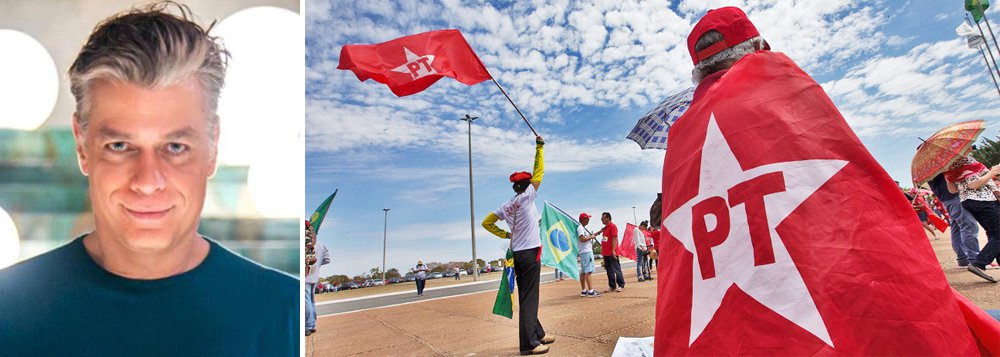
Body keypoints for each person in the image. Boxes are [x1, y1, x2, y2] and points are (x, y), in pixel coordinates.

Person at [0, 3, 298, 355]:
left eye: (174, 146)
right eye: (120, 145)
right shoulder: (7, 313)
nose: (147, 180)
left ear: (212, 145)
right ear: (81, 145)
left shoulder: (286, 317)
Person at [482, 135, 554, 355]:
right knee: (530, 297)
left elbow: (486, 223)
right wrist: (539, 147)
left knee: (526, 296)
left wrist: (505, 234)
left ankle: (538, 333)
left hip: (516, 253)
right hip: (530, 253)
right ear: (526, 185)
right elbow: (539, 171)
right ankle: (529, 344)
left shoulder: (507, 205)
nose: (535, 183)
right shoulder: (526, 198)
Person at [945, 156, 1000, 282]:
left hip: (969, 202)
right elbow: (974, 184)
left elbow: (953, 190)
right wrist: (992, 172)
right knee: (998, 234)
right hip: (983, 200)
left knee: (994, 233)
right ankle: (979, 263)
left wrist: (948, 179)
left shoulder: (950, 167)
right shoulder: (965, 160)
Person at [929, 173, 981, 268]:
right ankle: (975, 259)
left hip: (948, 200)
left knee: (957, 228)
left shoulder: (927, 171)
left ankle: (963, 258)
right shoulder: (938, 169)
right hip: (953, 198)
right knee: (968, 225)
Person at [305, 221, 331, 337]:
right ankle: (312, 324)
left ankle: (308, 326)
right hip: (314, 276)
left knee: (306, 302)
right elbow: (327, 260)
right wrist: (317, 266)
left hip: (305, 277)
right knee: (310, 301)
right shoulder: (320, 245)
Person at [599, 212, 625, 292]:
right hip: (605, 253)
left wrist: (613, 250)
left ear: (608, 218)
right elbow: (605, 239)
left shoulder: (613, 226)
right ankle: (612, 286)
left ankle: (621, 285)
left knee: (616, 269)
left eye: (603, 218)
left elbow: (614, 238)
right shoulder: (605, 228)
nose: (601, 219)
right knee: (609, 270)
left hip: (612, 252)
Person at [576, 213, 600, 297]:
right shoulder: (580, 228)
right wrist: (591, 237)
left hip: (583, 252)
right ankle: (591, 291)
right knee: (588, 271)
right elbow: (582, 239)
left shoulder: (582, 228)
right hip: (586, 251)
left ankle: (584, 290)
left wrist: (598, 232)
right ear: (582, 220)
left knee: (583, 271)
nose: (588, 220)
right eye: (587, 219)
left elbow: (587, 237)